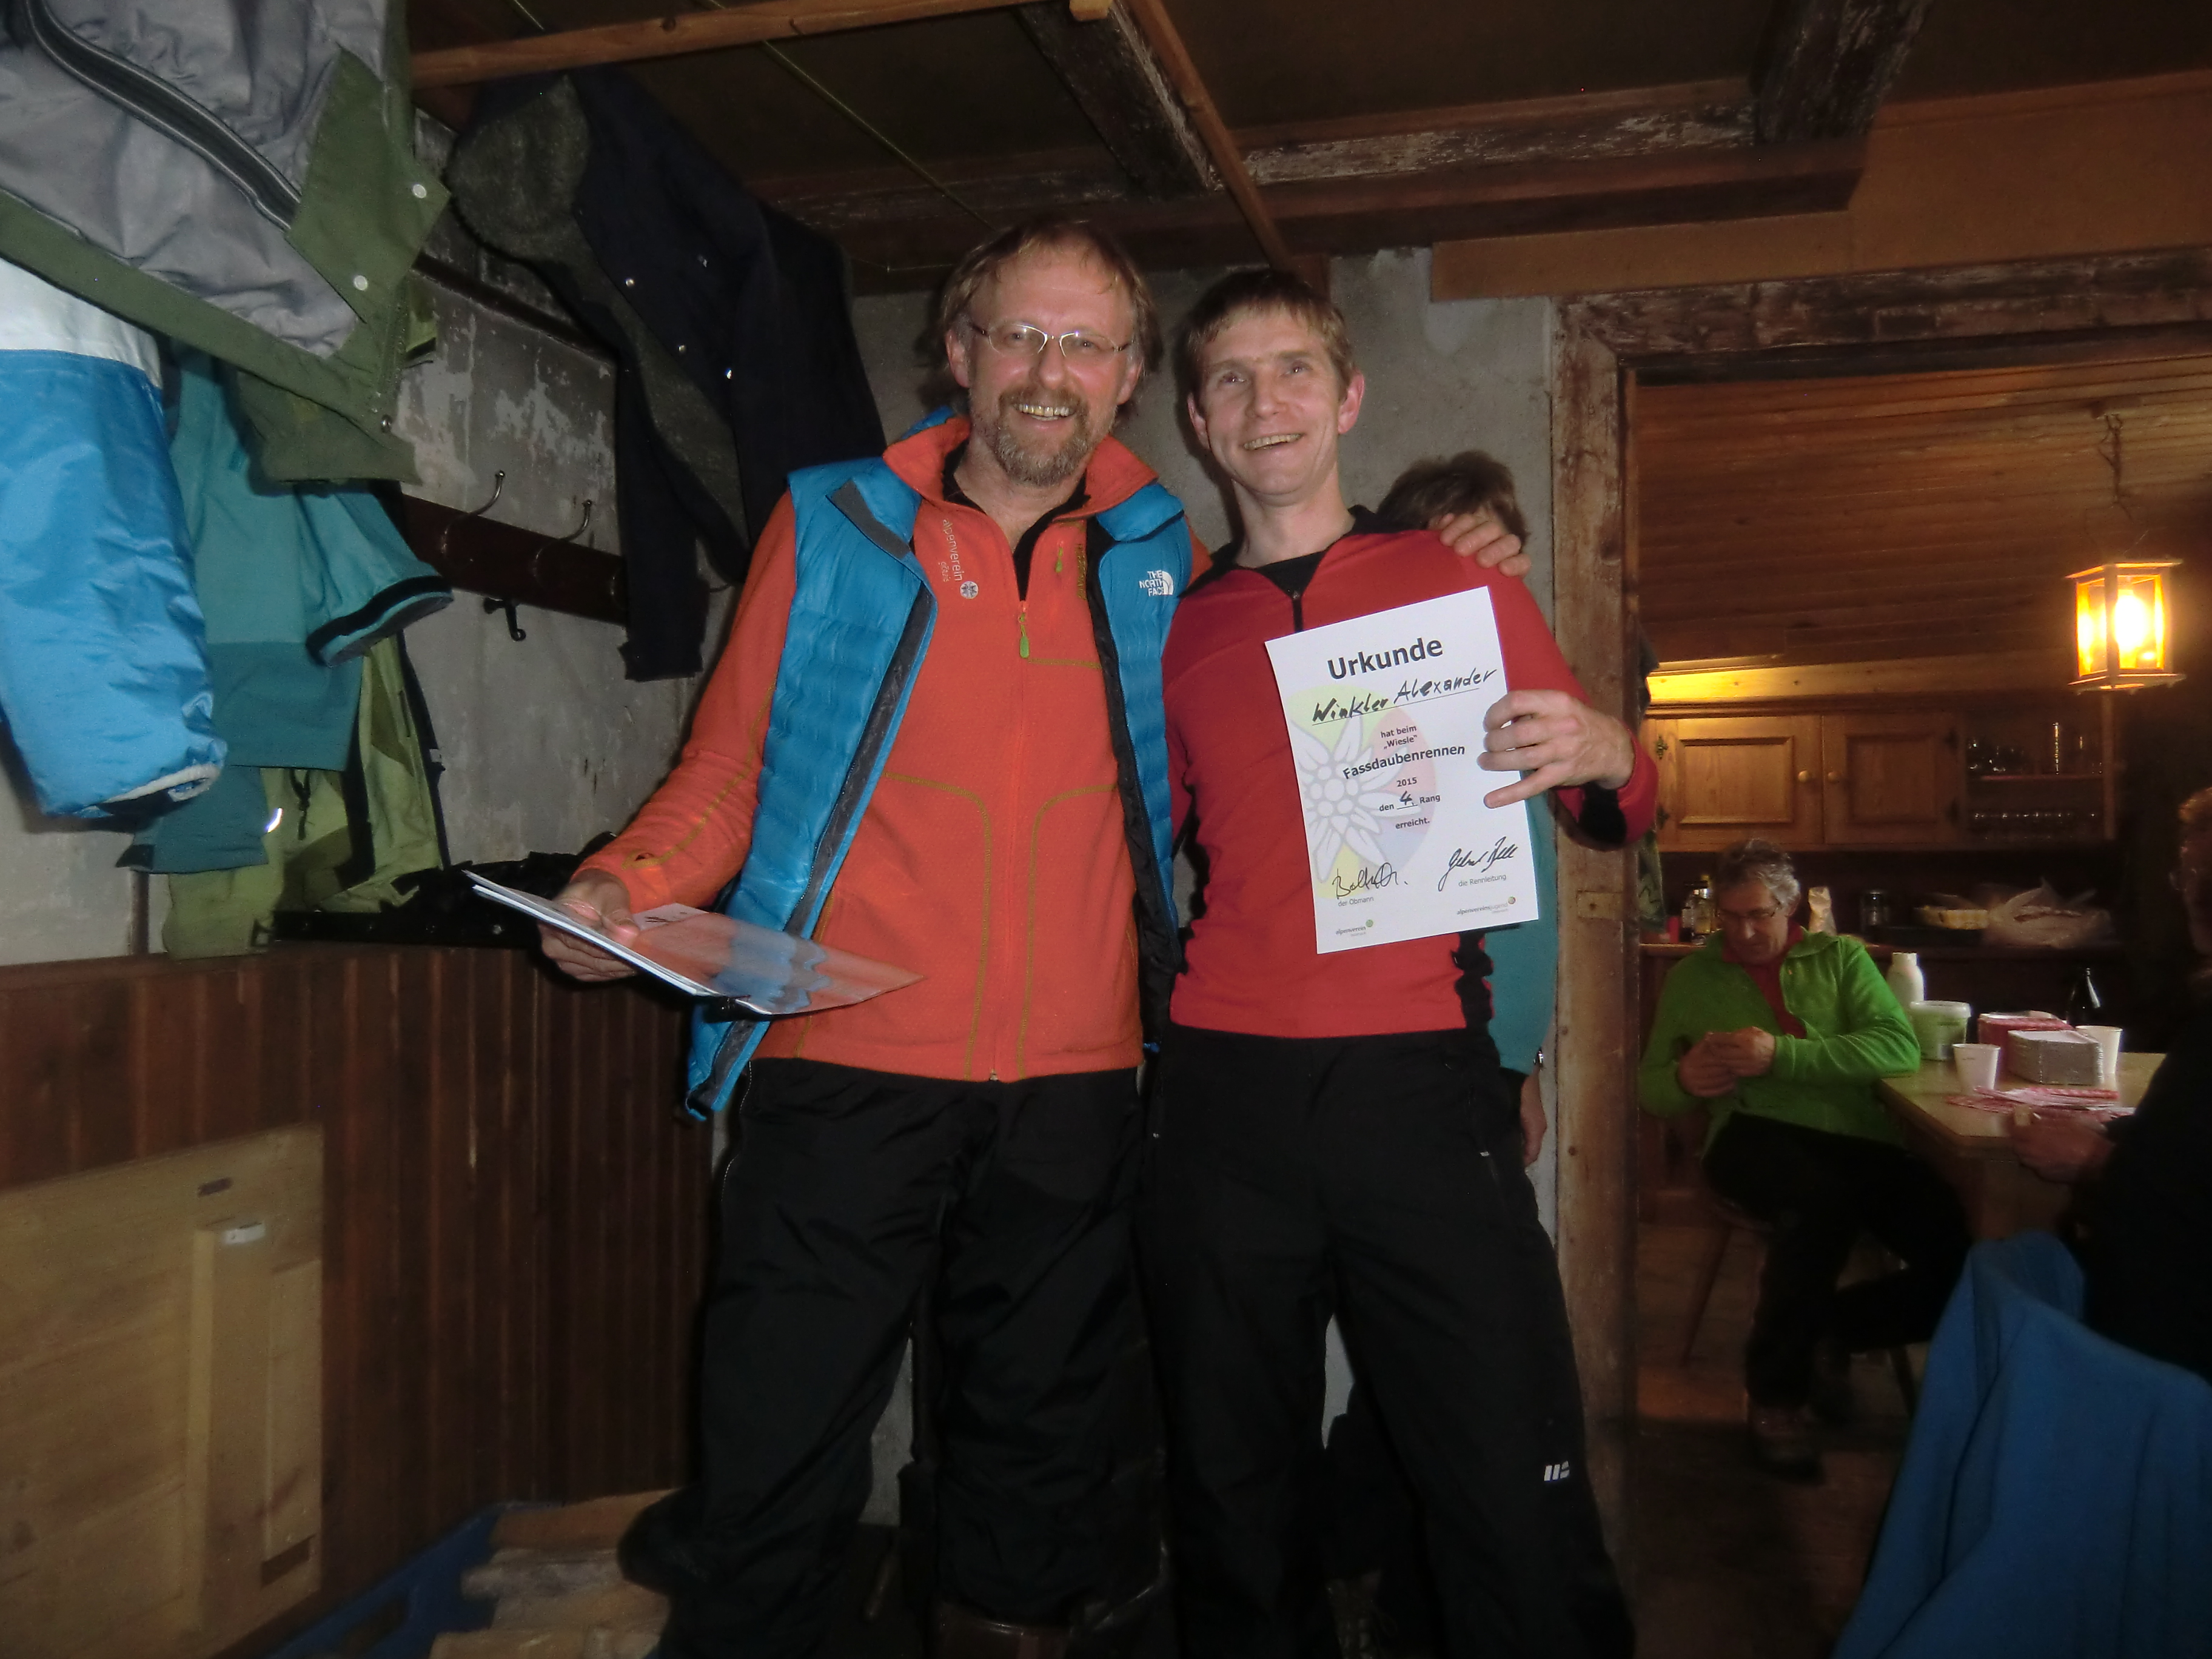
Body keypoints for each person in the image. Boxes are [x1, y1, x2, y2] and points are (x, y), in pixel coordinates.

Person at [534, 218, 1526, 1659]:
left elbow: (1307, 657)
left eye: (1086, 344)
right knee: (777, 1443)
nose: (1049, 370)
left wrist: (1440, 554)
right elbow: (729, 767)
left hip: (1076, 1095)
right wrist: (624, 881)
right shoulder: (833, 522)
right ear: (959, 350)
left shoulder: (1166, 554)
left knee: (1038, 1473)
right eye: (1020, 334)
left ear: (1128, 376)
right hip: (838, 1063)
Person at [1145, 267, 1651, 1659]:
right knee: (1232, 1504)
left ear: (1349, 396)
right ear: (1197, 418)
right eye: (1232, 377)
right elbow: (1144, 846)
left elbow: (1606, 803)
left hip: (1421, 1088)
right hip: (1224, 1097)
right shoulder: (1177, 632)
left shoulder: (1460, 580)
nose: (1266, 402)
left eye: (1295, 369)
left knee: (1509, 1486)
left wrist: (1618, 752)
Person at [1321, 451, 1555, 1659]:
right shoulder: (1375, 702)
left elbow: (1528, 911)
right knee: (1447, 1358)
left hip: (1482, 1069)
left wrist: (1523, 1064)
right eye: (1449, 548)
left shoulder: (1519, 695)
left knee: (1449, 1357)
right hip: (1404, 1068)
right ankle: (1362, 1567)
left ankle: (1369, 1568)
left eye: (1495, 549)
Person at [1637, 837, 1969, 1481]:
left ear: (1790, 906)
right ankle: (1776, 1398)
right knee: (1817, 1207)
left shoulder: (1842, 958)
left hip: (1860, 1138)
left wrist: (1782, 1056)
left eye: (1759, 915)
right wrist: (1683, 1078)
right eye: (1731, 917)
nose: (1744, 932)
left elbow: (1897, 1048)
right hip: (1749, 1134)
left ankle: (1831, 1330)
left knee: (1962, 1247)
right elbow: (1650, 1088)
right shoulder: (1693, 977)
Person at [2010, 784, 2212, 1384]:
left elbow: (2188, 1194)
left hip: (2178, 1344)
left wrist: (2096, 1159)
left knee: (2001, 1278)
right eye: (2186, 874)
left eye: (2197, 875)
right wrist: (2116, 1134)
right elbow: (2185, 1138)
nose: (2188, 892)